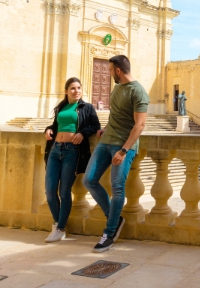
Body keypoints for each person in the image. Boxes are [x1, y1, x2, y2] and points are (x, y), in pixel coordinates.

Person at [83, 55, 149, 253]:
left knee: (117, 187)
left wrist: (124, 150)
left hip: (123, 146)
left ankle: (109, 232)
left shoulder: (138, 92)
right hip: (106, 141)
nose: (109, 74)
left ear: (118, 71)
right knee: (89, 180)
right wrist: (105, 127)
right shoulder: (117, 87)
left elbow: (140, 125)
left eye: (111, 71)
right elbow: (116, 115)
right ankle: (115, 217)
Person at [43, 77, 100, 242]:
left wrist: (82, 133)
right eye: (73, 88)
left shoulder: (86, 107)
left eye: (79, 88)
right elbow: (55, 126)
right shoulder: (61, 107)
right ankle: (58, 223)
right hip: (55, 150)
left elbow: (95, 126)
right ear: (66, 91)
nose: (77, 91)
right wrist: (48, 130)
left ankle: (60, 228)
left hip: (72, 151)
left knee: (64, 191)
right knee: (50, 191)